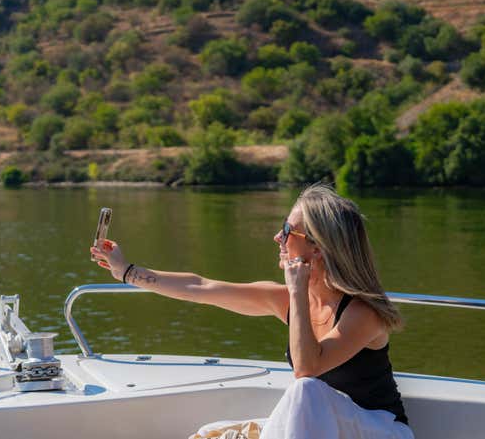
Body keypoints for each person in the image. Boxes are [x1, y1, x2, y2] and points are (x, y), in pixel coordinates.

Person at [89, 184, 414, 439]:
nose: (277, 237)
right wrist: (127, 271)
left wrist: (298, 289)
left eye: (287, 231)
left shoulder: (363, 313)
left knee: (307, 389)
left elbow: (307, 368)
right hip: (322, 429)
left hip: (380, 431)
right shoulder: (287, 300)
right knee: (211, 435)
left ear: (317, 247)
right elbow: (202, 288)